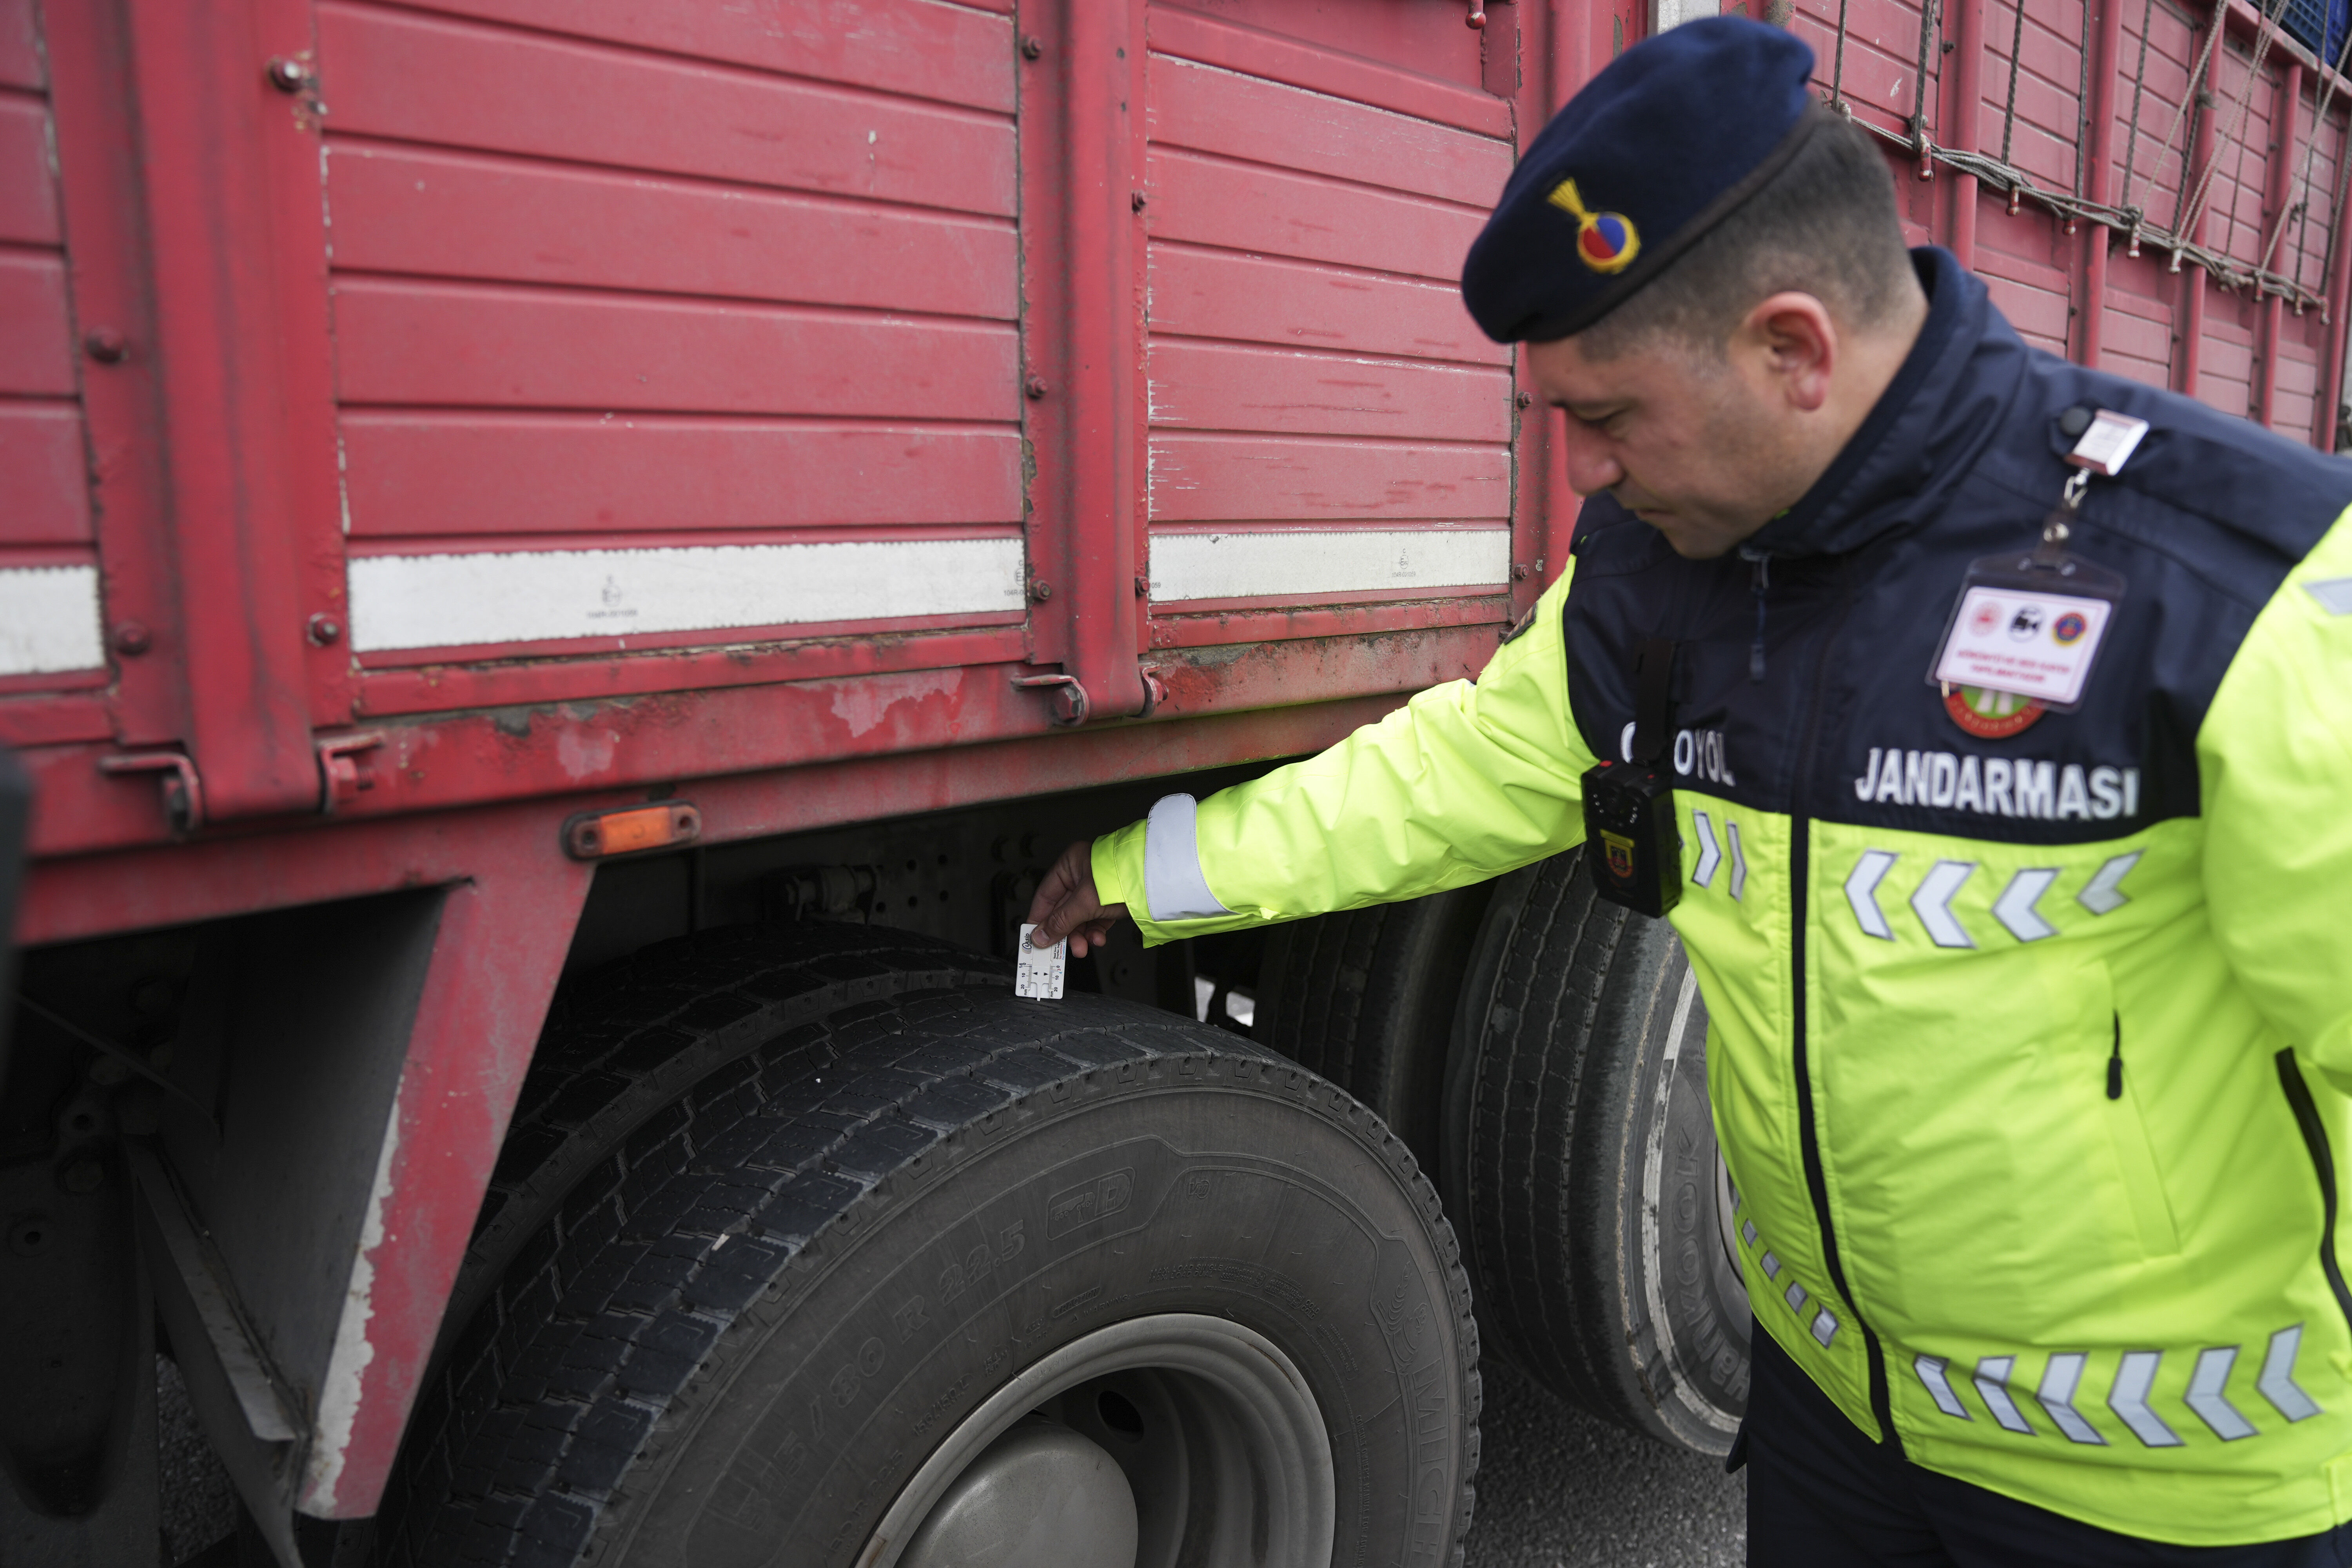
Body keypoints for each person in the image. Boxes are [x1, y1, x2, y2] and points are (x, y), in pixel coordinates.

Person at [1025, 16, 2352, 1564]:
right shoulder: (1659, 576)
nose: (1580, 470)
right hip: (1833, 1432)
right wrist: (1162, 866)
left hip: (2168, 1496)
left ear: (1791, 349)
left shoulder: (2231, 582)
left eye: (1605, 414)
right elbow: (1460, 770)